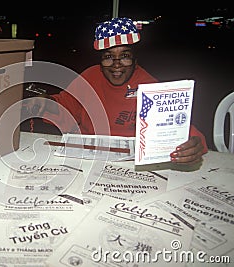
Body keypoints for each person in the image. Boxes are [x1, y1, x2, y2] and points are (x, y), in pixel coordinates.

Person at [24, 17, 208, 165]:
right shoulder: (90, 76)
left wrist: (193, 143)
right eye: (108, 57)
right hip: (86, 159)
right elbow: (67, 103)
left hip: (131, 165)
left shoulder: (149, 87)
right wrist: (47, 102)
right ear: (100, 61)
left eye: (125, 56)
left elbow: (177, 128)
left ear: (136, 60)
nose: (116, 64)